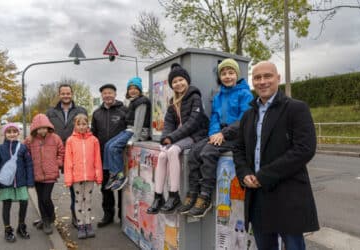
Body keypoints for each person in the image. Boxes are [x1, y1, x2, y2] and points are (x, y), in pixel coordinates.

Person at [232, 61, 319, 250]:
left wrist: (263, 176)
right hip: (258, 197)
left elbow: (304, 149)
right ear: (252, 82)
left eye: (267, 76)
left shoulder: (296, 108)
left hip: (288, 195)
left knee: (294, 246)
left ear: (278, 79)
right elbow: (238, 149)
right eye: (257, 77)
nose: (262, 81)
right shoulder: (248, 115)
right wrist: (244, 173)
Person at [178, 58, 253, 218]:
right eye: (224, 73)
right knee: (193, 153)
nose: (227, 76)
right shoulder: (219, 96)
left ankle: (205, 196)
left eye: (231, 73)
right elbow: (214, 118)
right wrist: (213, 133)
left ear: (236, 75)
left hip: (236, 135)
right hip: (218, 134)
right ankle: (193, 193)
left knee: (208, 152)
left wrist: (222, 134)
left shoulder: (245, 93)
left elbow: (244, 120)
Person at [146, 63, 209, 214]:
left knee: (173, 150)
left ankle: (174, 195)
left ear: (187, 81)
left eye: (181, 80)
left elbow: (192, 123)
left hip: (196, 135)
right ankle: (158, 195)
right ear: (171, 85)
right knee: (162, 155)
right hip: (180, 137)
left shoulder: (195, 97)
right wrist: (164, 138)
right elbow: (168, 124)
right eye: (174, 82)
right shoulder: (172, 103)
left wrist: (171, 138)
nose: (178, 83)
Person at [46, 83, 87, 228]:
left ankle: (76, 216)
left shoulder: (80, 110)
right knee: (46, 188)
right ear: (59, 95)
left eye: (68, 93)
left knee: (75, 188)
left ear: (72, 94)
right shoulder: (50, 112)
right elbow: (44, 132)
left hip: (74, 154)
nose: (65, 96)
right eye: (63, 93)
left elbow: (86, 130)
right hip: (55, 154)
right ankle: (48, 217)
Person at [104, 77, 151, 191]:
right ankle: (112, 173)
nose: (133, 91)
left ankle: (120, 175)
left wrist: (134, 138)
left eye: (135, 88)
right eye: (130, 88)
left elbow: (139, 122)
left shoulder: (142, 101)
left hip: (137, 132)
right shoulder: (132, 102)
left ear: (140, 90)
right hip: (129, 130)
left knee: (115, 147)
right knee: (108, 145)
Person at [91, 83, 128, 227]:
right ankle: (108, 215)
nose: (107, 95)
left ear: (115, 94)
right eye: (105, 93)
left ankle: (122, 215)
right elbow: (93, 134)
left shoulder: (124, 110)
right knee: (106, 187)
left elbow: (130, 131)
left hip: (120, 157)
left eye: (110, 93)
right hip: (101, 156)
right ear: (102, 95)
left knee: (120, 186)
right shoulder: (97, 113)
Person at [0, 123, 34, 242]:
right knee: (6, 205)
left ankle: (21, 226)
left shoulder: (23, 148)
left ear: (18, 133)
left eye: (14, 131)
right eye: (9, 132)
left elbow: (28, 165)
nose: (12, 134)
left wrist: (30, 181)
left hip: (21, 182)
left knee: (24, 203)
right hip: (6, 184)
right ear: (5, 134)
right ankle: (8, 229)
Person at [24, 113, 65, 235]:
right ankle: (45, 220)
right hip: (36, 174)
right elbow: (24, 154)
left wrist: (57, 163)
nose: (42, 130)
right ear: (35, 128)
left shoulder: (55, 138)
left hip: (50, 174)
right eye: (39, 128)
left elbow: (61, 152)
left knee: (46, 198)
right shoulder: (30, 140)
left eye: (44, 127)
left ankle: (51, 216)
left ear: (48, 127)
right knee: (40, 199)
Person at [64, 114, 103, 239]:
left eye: (84, 124)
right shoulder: (70, 140)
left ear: (88, 125)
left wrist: (98, 176)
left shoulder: (94, 140)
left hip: (90, 177)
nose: (81, 127)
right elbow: (68, 161)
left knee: (88, 200)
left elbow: (97, 159)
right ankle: (80, 225)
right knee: (78, 201)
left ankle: (88, 224)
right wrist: (68, 178)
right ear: (75, 125)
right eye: (79, 124)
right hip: (77, 177)